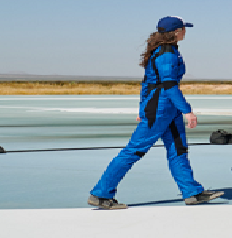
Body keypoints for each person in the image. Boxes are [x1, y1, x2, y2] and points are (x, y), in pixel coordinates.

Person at [88, 17, 224, 209]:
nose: (186, 31)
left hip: (167, 109)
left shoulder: (168, 50)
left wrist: (143, 107)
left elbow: (148, 83)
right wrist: (187, 111)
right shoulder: (166, 54)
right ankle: (101, 194)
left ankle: (192, 192)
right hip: (160, 109)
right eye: (184, 29)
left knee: (178, 150)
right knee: (133, 151)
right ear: (176, 31)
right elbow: (168, 85)